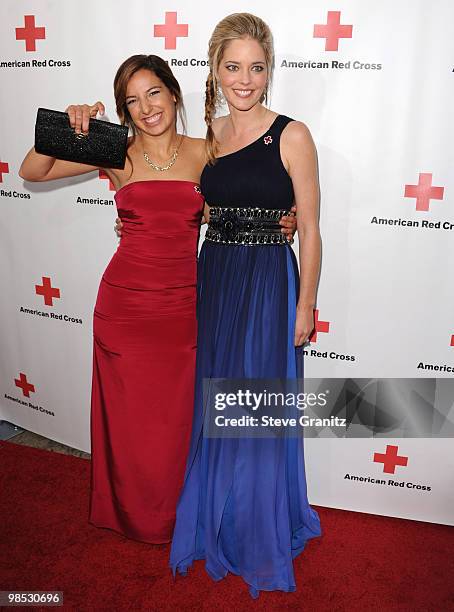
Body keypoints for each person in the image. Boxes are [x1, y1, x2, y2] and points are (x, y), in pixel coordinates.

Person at [19, 54, 296, 544]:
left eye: (153, 93)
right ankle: (134, 516)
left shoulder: (205, 150)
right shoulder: (115, 150)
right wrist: (71, 125)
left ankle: (178, 518)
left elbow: (225, 206)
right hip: (124, 309)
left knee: (174, 425)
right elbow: (33, 170)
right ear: (124, 112)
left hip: (185, 309)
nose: (146, 108)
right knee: (131, 427)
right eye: (132, 101)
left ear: (173, 94)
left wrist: (278, 220)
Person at [169, 13, 322, 597]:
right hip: (216, 279)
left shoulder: (292, 134)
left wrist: (305, 306)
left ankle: (257, 525)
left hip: (268, 284)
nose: (245, 78)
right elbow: (191, 205)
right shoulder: (206, 138)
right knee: (216, 400)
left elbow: (309, 228)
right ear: (215, 68)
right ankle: (219, 517)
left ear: (269, 71)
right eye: (233, 66)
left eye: (256, 67)